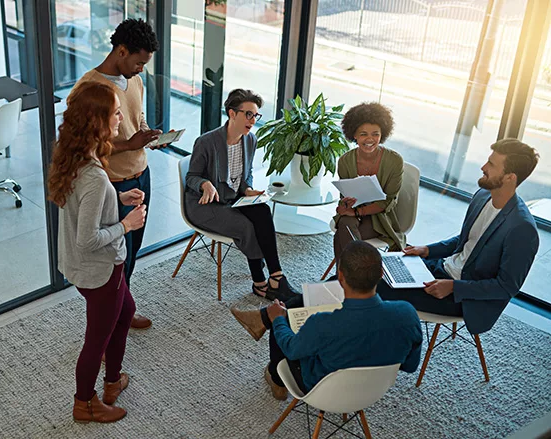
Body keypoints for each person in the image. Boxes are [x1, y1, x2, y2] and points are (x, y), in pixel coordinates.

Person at [48, 81, 147, 423]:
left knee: (126, 311)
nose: (121, 118)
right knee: (96, 341)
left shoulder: (73, 154)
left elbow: (82, 209)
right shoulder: (93, 177)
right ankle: (84, 402)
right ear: (98, 121)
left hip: (88, 268)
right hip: (99, 270)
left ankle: (113, 381)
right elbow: (87, 239)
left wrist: (117, 200)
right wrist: (127, 224)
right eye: (116, 113)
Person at [378, 139, 540, 335]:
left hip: (463, 298)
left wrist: (454, 287)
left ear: (510, 177)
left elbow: (506, 287)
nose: (483, 167)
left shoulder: (521, 228)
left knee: (374, 287)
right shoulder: (482, 196)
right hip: (441, 270)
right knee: (370, 268)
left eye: (491, 165)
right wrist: (428, 250)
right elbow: (465, 240)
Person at [230, 241, 422, 399]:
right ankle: (262, 319)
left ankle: (277, 380)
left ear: (340, 277)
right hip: (372, 391)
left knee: (283, 321)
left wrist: (278, 320)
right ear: (381, 274)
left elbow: (291, 348)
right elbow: (410, 365)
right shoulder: (408, 314)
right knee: (295, 309)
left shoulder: (321, 324)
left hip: (321, 389)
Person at [68, 18, 162, 329]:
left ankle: (124, 308)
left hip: (140, 174)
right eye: (138, 62)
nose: (141, 69)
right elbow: (83, 145)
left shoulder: (134, 80)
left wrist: (146, 136)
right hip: (111, 183)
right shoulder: (89, 89)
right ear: (121, 51)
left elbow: (137, 119)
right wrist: (127, 145)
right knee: (113, 261)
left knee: (131, 255)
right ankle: (110, 319)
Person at [185, 89, 301, 304]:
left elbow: (245, 175)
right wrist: (205, 184)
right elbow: (191, 177)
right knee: (246, 226)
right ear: (232, 113)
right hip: (205, 205)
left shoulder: (250, 140)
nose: (252, 120)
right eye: (248, 114)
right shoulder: (207, 142)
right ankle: (259, 283)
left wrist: (248, 190)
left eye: (255, 115)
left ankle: (276, 276)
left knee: (262, 211)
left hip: (233, 197)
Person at [334, 102, 405, 263]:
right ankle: (356, 274)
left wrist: (357, 213)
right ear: (354, 135)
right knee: (345, 224)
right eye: (363, 134)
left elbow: (389, 202)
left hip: (380, 218)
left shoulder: (394, 161)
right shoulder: (345, 161)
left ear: (383, 134)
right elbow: (344, 195)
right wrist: (345, 205)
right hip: (353, 213)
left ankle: (347, 276)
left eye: (375, 134)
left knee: (342, 232)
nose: (370, 139)